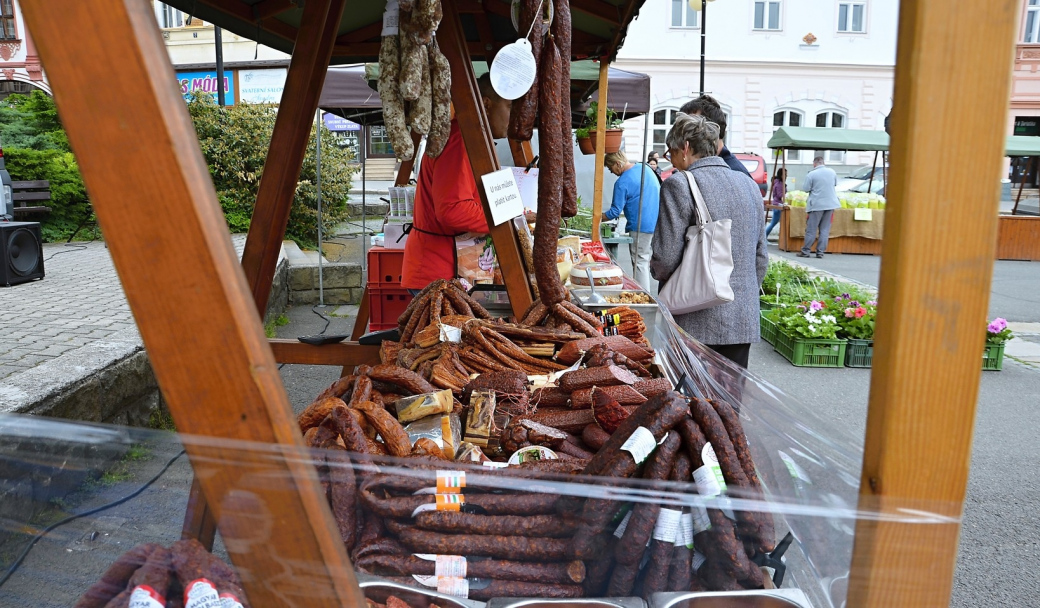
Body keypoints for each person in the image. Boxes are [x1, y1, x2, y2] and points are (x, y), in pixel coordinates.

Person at [650, 113, 768, 369]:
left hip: (694, 313)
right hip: (741, 316)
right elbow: (761, 256)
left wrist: (659, 276)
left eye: (670, 153)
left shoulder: (679, 184)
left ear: (685, 148)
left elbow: (665, 257)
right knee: (729, 400)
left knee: (693, 400)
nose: (671, 161)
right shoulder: (748, 184)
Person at [402, 75, 512, 291]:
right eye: (509, 107)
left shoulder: (470, 138)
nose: (514, 116)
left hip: (452, 268)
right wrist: (507, 218)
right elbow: (453, 210)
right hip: (438, 272)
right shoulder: (460, 139)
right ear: (487, 105)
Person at [601, 150, 660, 289]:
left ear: (617, 164)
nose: (612, 172)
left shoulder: (622, 182)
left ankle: (643, 296)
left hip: (640, 225)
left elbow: (614, 212)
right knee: (644, 260)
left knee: (639, 262)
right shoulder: (644, 168)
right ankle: (643, 294)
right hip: (656, 221)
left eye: (610, 168)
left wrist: (596, 217)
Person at [679, 95, 753, 181]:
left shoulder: (734, 173)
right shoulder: (709, 165)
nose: (684, 136)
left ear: (712, 129)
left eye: (692, 128)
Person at [799, 156, 840, 259]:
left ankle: (806, 251)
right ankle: (820, 252)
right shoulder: (832, 172)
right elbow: (835, 184)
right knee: (825, 230)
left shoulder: (811, 174)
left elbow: (806, 188)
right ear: (823, 162)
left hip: (816, 205)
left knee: (811, 229)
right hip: (831, 204)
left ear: (814, 163)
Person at [765, 167, 787, 237]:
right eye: (785, 175)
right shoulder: (779, 184)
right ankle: (764, 236)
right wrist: (786, 196)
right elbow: (780, 195)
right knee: (773, 223)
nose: (786, 176)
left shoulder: (778, 183)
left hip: (776, 203)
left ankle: (764, 236)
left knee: (773, 222)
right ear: (781, 175)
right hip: (778, 205)